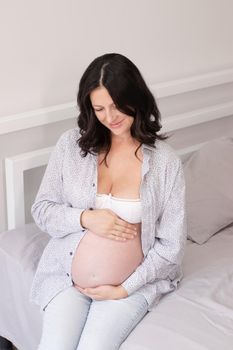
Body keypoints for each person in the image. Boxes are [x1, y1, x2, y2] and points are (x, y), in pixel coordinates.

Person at [30, 53, 187, 350]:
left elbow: (172, 247)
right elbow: (42, 210)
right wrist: (86, 218)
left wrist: (123, 289)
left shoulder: (165, 164)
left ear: (136, 99)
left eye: (117, 106)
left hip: (128, 286)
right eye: (99, 108)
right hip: (67, 277)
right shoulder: (71, 146)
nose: (110, 117)